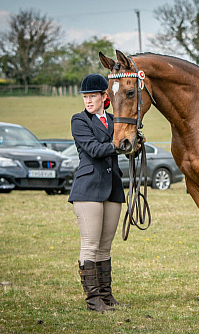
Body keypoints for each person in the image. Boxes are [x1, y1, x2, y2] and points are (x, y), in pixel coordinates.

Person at [68, 73, 125, 312]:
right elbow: (92, 148)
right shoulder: (79, 121)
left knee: (105, 246)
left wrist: (133, 143)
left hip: (112, 187)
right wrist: (117, 145)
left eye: (93, 96)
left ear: (105, 96)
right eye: (85, 97)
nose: (88, 101)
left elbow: (125, 142)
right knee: (90, 244)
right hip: (88, 188)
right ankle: (93, 300)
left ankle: (106, 295)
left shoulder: (114, 120)